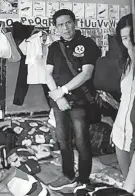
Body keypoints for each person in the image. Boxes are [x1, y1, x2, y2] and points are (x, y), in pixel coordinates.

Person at [46, 9, 101, 190]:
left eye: (68, 22)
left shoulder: (87, 44)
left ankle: (83, 180)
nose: (65, 27)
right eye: (60, 25)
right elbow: (47, 74)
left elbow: (86, 74)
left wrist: (62, 90)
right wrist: (57, 95)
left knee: (81, 140)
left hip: (79, 101)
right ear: (56, 28)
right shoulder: (54, 47)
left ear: (74, 23)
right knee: (63, 140)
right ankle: (68, 175)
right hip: (58, 101)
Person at [112, 13, 135, 193]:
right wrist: (115, 128)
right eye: (125, 38)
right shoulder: (126, 63)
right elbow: (124, 99)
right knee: (128, 181)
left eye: (132, 37)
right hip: (122, 133)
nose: (129, 43)